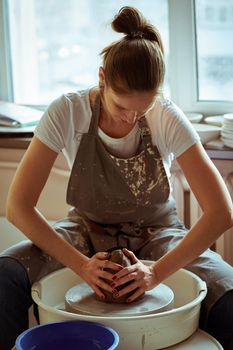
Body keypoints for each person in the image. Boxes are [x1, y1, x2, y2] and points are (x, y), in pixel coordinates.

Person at [1, 6, 233, 350]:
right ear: (102, 78)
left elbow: (221, 212)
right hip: (86, 229)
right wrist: (81, 265)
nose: (132, 119)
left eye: (142, 109)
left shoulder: (166, 116)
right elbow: (18, 207)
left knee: (229, 295)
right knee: (5, 276)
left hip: (158, 231)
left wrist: (156, 272)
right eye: (122, 108)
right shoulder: (67, 111)